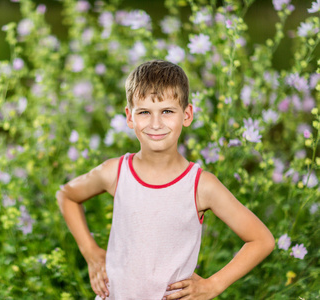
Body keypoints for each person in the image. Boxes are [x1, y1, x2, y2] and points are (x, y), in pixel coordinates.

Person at [56, 60, 275, 300]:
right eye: (144, 112)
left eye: (167, 111)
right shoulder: (116, 172)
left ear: (187, 114)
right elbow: (66, 195)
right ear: (130, 117)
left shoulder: (201, 185)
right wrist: (91, 252)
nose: (156, 124)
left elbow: (261, 240)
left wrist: (213, 285)